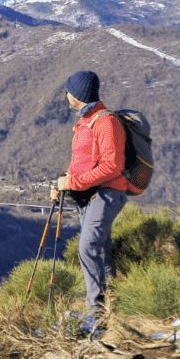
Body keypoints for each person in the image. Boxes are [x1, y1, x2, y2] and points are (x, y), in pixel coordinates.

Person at [50, 70, 129, 336]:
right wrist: (63, 182)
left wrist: (73, 183)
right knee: (101, 251)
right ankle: (110, 309)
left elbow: (113, 166)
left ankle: (95, 315)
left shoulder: (105, 123)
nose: (66, 95)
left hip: (107, 194)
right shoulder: (86, 122)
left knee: (87, 247)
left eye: (69, 90)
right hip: (90, 195)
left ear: (78, 95)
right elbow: (82, 163)